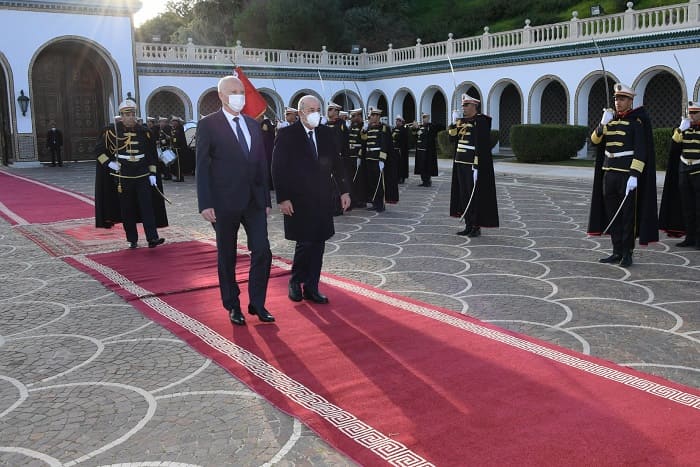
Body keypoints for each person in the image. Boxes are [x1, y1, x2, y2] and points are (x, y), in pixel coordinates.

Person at [196, 75, 274, 326]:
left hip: (254, 201)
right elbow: (202, 166)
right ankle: (233, 304)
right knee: (227, 255)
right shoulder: (208, 125)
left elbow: (261, 163)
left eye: (241, 91)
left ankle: (258, 303)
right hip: (223, 202)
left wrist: (266, 198)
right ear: (220, 95)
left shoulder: (253, 124)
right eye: (233, 91)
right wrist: (205, 203)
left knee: (262, 250)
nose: (239, 95)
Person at [272, 94, 351, 305]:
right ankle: (295, 281)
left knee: (319, 243)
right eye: (310, 110)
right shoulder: (287, 135)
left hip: (323, 198)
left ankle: (312, 286)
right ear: (300, 113)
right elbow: (278, 168)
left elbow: (337, 163)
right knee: (305, 242)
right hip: (298, 199)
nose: (315, 114)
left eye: (318, 109)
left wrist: (344, 191)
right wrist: (283, 198)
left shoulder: (326, 133)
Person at [587, 83, 658, 267]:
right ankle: (616, 251)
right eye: (616, 99)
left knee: (627, 217)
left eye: (622, 99)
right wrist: (602, 124)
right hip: (608, 175)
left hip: (627, 176)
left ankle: (627, 253)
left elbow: (641, 151)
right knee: (613, 216)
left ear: (630, 101)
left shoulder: (637, 122)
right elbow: (594, 141)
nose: (618, 102)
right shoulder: (610, 121)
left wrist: (634, 175)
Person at [94, 98, 168, 248]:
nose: (130, 117)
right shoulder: (110, 131)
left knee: (147, 206)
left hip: (142, 174)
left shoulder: (145, 132)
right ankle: (132, 238)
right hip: (123, 175)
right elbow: (98, 152)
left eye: (132, 114)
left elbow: (151, 156)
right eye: (127, 115)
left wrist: (153, 173)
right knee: (127, 209)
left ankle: (152, 238)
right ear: (121, 116)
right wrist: (110, 163)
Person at [448, 94, 499, 236]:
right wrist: (453, 123)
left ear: (474, 106)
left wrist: (476, 166)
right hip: (460, 162)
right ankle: (468, 224)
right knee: (463, 195)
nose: (463, 108)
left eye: (466, 105)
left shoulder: (480, 121)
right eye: (463, 105)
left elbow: (481, 145)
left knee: (474, 196)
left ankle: (476, 226)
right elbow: (452, 139)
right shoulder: (461, 121)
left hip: (471, 164)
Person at [659, 101, 700, 248]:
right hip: (684, 172)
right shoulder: (684, 130)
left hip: (698, 172)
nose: (692, 116)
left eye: (695, 113)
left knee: (698, 208)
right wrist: (680, 130)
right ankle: (689, 237)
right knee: (687, 207)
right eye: (690, 113)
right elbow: (674, 147)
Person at [363, 107, 397, 211]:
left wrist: (382, 159)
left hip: (377, 158)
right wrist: (364, 130)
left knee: (379, 183)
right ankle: (374, 202)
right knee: (372, 182)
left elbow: (384, 144)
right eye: (371, 116)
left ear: (378, 116)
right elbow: (364, 140)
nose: (371, 117)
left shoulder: (383, 127)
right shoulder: (368, 127)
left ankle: (380, 204)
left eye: (373, 115)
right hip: (369, 157)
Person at [324, 102, 349, 215]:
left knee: (337, 182)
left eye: (330, 109)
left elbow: (339, 143)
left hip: (337, 158)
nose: (328, 111)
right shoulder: (326, 124)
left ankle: (338, 207)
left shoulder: (340, 124)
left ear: (336, 111)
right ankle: (331, 205)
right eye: (328, 109)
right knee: (329, 183)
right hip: (327, 158)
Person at [347, 108, 367, 208]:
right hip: (350, 155)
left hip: (358, 155)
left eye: (354, 116)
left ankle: (361, 200)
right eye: (352, 116)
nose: (353, 118)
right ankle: (353, 199)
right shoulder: (351, 126)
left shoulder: (363, 127)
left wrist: (360, 155)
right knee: (351, 179)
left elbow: (363, 143)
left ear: (359, 116)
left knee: (359, 180)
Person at [413, 113, 439, 187]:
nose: (424, 119)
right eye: (423, 117)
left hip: (427, 151)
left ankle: (428, 181)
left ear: (428, 118)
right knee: (421, 166)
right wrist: (414, 128)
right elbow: (415, 135)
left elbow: (424, 135)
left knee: (427, 166)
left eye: (426, 117)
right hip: (420, 149)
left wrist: (417, 128)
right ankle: (423, 180)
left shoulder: (430, 127)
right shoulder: (421, 126)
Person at [392, 115, 409, 184]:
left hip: (401, 149)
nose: (397, 122)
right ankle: (397, 177)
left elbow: (402, 137)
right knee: (396, 165)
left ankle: (402, 178)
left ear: (401, 122)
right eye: (396, 121)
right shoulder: (394, 128)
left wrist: (395, 135)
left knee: (401, 165)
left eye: (398, 121)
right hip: (394, 149)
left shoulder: (404, 129)